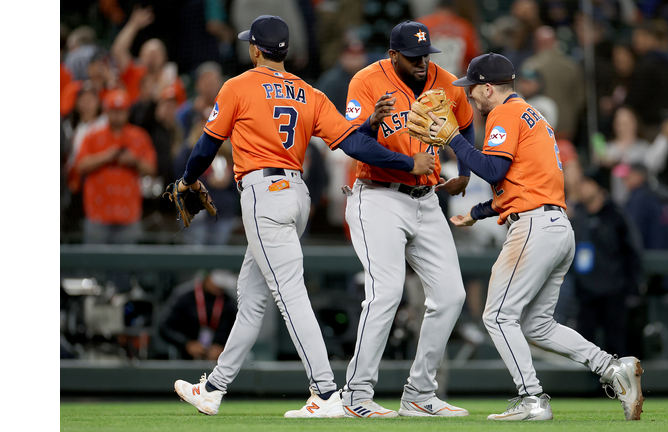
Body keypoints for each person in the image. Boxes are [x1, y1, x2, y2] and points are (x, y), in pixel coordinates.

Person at [171, 15, 436, 418]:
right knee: (253, 299)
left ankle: (326, 393)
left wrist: (188, 180)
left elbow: (207, 145)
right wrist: (403, 159)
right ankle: (213, 387)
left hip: (263, 195)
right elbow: (353, 143)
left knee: (289, 295)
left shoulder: (238, 86)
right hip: (296, 198)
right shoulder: (307, 92)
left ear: (255, 49)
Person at [435, 53, 643, 421]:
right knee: (537, 324)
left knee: (498, 316)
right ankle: (612, 368)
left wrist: (454, 139)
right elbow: (520, 182)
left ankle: (532, 399)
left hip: (534, 226)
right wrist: (479, 212)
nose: (471, 98)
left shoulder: (505, 113)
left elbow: (492, 167)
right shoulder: (531, 114)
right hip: (556, 226)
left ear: (487, 87)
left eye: (473, 90)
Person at [339, 20, 475, 418]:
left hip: (428, 200)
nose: (421, 63)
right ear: (392, 54)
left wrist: (465, 168)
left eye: (424, 56)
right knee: (385, 294)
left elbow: (465, 124)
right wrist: (401, 155)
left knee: (451, 295)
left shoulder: (446, 81)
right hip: (378, 197)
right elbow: (351, 142)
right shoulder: (365, 81)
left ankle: (419, 394)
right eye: (412, 57)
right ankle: (356, 395)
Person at [569, 166, 644, 357]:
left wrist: (633, 288)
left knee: (615, 347)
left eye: (587, 183)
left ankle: (613, 387)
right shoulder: (576, 216)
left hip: (614, 293)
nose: (582, 187)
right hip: (585, 294)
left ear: (599, 187)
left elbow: (632, 252)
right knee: (585, 350)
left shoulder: (616, 216)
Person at [74, 89, 157, 245]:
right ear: (106, 111)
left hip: (128, 213)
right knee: (94, 264)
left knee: (127, 265)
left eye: (121, 111)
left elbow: (151, 168)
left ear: (127, 112)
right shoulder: (93, 135)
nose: (117, 115)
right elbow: (81, 165)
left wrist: (134, 161)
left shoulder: (139, 136)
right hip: (98, 213)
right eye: (113, 111)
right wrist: (106, 156)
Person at [111, 5, 187, 105]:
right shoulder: (134, 72)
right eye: (148, 53)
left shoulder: (171, 79)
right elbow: (118, 51)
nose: (152, 57)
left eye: (156, 53)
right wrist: (133, 25)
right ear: (141, 56)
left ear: (164, 58)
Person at [158, 270, 238, 360]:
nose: (218, 289)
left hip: (217, 361)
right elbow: (165, 328)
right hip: (184, 359)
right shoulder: (184, 296)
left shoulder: (229, 302)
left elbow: (238, 333)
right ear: (207, 277)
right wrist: (186, 344)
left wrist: (224, 349)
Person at [522, 26, 584, 141]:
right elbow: (580, 99)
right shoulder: (571, 66)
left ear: (537, 43)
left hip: (538, 128)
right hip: (566, 126)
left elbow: (521, 96)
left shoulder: (530, 65)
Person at [417, 0, 482, 77]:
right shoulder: (464, 27)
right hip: (455, 81)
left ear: (437, 8)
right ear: (453, 9)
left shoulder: (421, 25)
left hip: (426, 80)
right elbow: (475, 59)